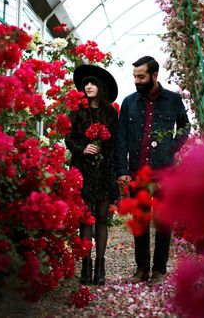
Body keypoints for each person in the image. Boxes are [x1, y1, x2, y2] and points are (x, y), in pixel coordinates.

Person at [115, 56, 190, 285]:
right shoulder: (129, 102)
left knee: (163, 222)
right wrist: (122, 170)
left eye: (141, 76)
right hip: (138, 173)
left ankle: (159, 270)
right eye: (135, 76)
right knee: (140, 221)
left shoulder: (173, 100)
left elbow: (185, 126)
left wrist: (171, 147)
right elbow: (121, 138)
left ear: (154, 76)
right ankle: (141, 269)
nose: (136, 81)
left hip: (164, 173)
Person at [65, 64, 119, 286]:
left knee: (101, 219)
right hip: (83, 169)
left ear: (101, 87)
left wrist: (115, 170)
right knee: (85, 219)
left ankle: (100, 266)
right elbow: (69, 139)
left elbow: (115, 143)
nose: (88, 86)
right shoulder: (77, 111)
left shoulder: (111, 114)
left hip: (104, 170)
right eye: (85, 83)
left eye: (92, 83)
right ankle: (85, 265)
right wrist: (83, 148)